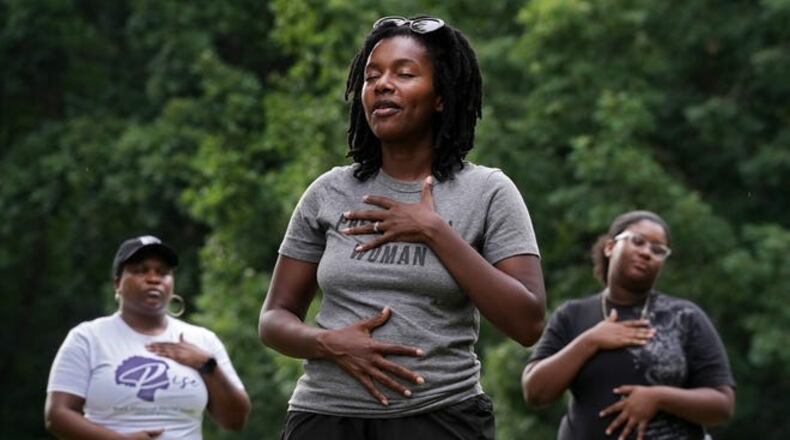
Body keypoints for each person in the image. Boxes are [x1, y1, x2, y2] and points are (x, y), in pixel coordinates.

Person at [258, 15, 546, 440]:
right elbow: (273, 319)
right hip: (324, 418)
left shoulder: (487, 192)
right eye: (372, 76)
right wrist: (327, 343)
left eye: (404, 74)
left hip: (441, 417)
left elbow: (528, 323)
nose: (381, 85)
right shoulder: (329, 191)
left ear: (441, 97)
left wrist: (435, 231)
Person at [522, 210, 736, 440]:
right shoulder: (573, 315)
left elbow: (722, 404)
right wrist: (590, 341)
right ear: (610, 247)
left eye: (658, 250)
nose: (646, 253)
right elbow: (535, 392)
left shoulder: (686, 317)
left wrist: (658, 398)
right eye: (638, 241)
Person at [45, 235, 251, 439]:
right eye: (140, 270)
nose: (154, 279)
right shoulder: (88, 338)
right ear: (118, 283)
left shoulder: (202, 340)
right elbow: (57, 415)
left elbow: (235, 420)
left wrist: (208, 366)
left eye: (163, 272)